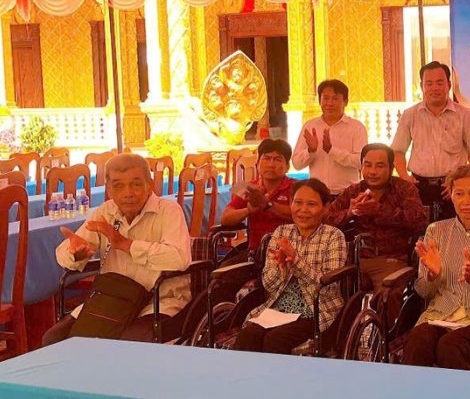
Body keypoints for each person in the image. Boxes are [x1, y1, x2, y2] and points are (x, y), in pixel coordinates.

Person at [43, 154, 191, 345]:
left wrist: (125, 244)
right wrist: (75, 254)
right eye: (118, 186)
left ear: (150, 184)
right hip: (113, 299)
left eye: (136, 184)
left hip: (158, 300)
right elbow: (66, 252)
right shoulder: (106, 211)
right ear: (109, 190)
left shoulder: (169, 210)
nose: (128, 193)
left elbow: (180, 258)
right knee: (54, 339)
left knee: (128, 345)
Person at [401, 165, 470, 370]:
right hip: (441, 313)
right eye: (459, 193)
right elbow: (423, 292)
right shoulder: (436, 231)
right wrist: (433, 276)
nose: (466, 201)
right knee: (417, 339)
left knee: (449, 346)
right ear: (450, 195)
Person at [233, 179, 346, 354]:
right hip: (279, 307)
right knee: (249, 334)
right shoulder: (282, 232)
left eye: (312, 204)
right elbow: (268, 285)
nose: (303, 210)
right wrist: (281, 268)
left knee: (276, 340)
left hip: (316, 308)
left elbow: (328, 289)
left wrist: (296, 261)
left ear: (325, 208)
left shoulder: (334, 236)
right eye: (298, 203)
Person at [325, 143, 428, 296]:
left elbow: (419, 221)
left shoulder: (404, 189)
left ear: (391, 168)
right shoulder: (354, 190)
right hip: (356, 259)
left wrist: (379, 210)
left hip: (391, 259)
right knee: (333, 290)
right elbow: (325, 219)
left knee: (388, 294)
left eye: (380, 166)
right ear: (361, 167)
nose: (373, 172)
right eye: (368, 165)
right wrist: (349, 213)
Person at [392, 62, 470, 220]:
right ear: (422, 85)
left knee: (453, 235)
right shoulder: (410, 115)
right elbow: (397, 151)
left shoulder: (463, 115)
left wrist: (463, 182)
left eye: (439, 83)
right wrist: (404, 177)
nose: (434, 88)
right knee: (421, 235)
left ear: (448, 85)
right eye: (429, 83)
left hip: (451, 187)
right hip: (418, 186)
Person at [292, 79, 368, 197]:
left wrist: (332, 151)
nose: (330, 103)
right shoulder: (310, 126)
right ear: (320, 101)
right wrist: (310, 151)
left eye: (335, 99)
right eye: (325, 98)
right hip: (317, 195)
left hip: (347, 194)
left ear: (345, 101)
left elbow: (361, 162)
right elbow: (296, 164)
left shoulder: (357, 128)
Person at [221, 139, 295, 258]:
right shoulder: (249, 188)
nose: (271, 164)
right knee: (220, 275)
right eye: (266, 158)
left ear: (287, 166)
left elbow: (297, 214)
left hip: (287, 254)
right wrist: (248, 210)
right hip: (255, 253)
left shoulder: (296, 187)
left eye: (277, 159)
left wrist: (268, 205)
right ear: (257, 164)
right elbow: (225, 218)